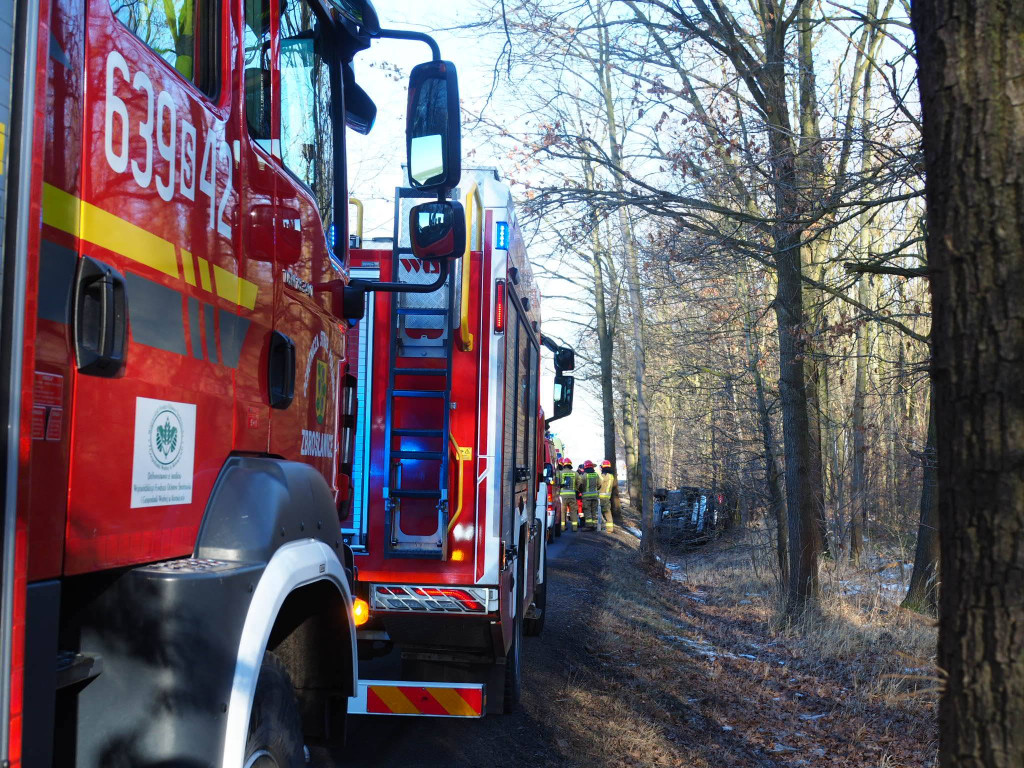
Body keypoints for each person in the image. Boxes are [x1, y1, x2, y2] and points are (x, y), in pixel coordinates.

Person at [577, 460, 601, 529]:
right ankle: (594, 525)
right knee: (593, 511)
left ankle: (589, 525)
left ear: (585, 467)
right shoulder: (596, 475)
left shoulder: (583, 476)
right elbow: (599, 484)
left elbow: (579, 485)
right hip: (594, 496)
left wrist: (580, 491)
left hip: (586, 497)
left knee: (587, 511)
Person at [557, 458, 578, 531]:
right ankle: (574, 528)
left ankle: (562, 527)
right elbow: (579, 482)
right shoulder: (575, 473)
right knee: (573, 511)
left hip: (563, 496)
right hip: (572, 495)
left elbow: (557, 483)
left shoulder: (560, 473)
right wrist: (575, 489)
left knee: (563, 512)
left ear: (564, 465)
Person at [598, 459, 616, 532]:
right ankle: (609, 529)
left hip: (601, 497)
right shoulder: (611, 476)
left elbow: (599, 484)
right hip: (607, 497)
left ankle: (604, 528)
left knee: (602, 513)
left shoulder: (603, 476)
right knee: (608, 513)